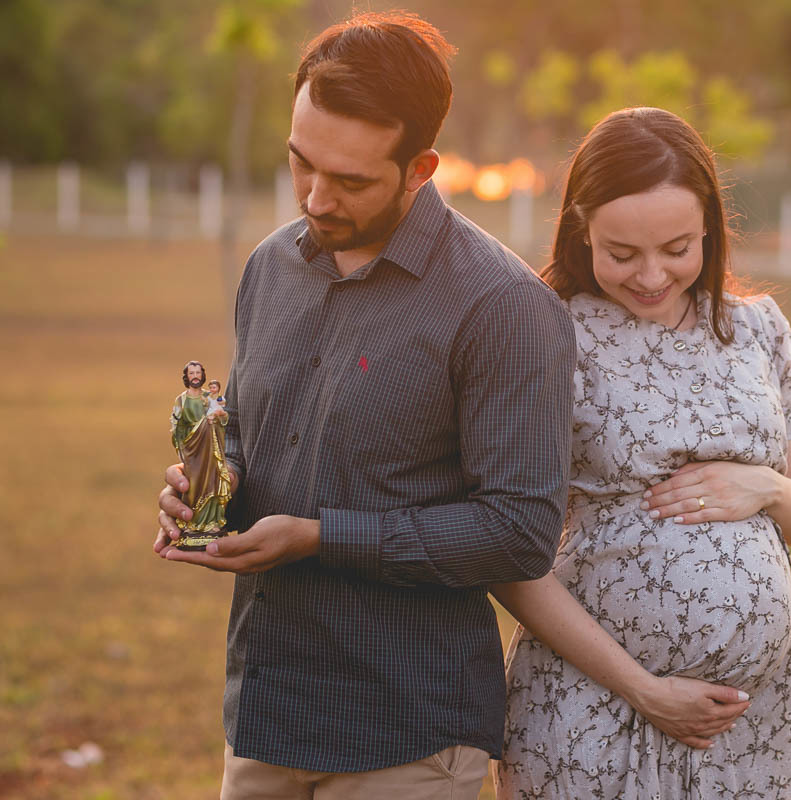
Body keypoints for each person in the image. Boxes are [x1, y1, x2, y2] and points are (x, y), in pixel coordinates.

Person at [153, 12, 578, 799]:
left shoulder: (502, 306)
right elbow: (248, 431)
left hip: (407, 735)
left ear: (421, 167)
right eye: (300, 164)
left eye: (350, 181)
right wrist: (208, 484)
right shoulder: (270, 267)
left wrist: (321, 538)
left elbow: (520, 533)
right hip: (267, 711)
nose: (316, 197)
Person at [491, 107, 791, 799]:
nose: (650, 275)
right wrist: (647, 690)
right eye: (622, 253)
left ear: (709, 227)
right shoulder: (546, 334)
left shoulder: (755, 330)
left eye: (676, 248)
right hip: (592, 712)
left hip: (743, 729)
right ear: (582, 229)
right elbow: (509, 553)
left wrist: (762, 487)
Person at [170, 361, 232, 550]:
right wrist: (181, 440)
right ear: (187, 377)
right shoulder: (182, 400)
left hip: (211, 449)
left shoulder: (209, 397)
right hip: (192, 451)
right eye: (191, 373)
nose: (195, 376)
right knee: (194, 485)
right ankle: (194, 523)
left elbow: (224, 418)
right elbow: (176, 425)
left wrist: (219, 417)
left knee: (212, 482)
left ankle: (212, 522)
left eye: (198, 373)